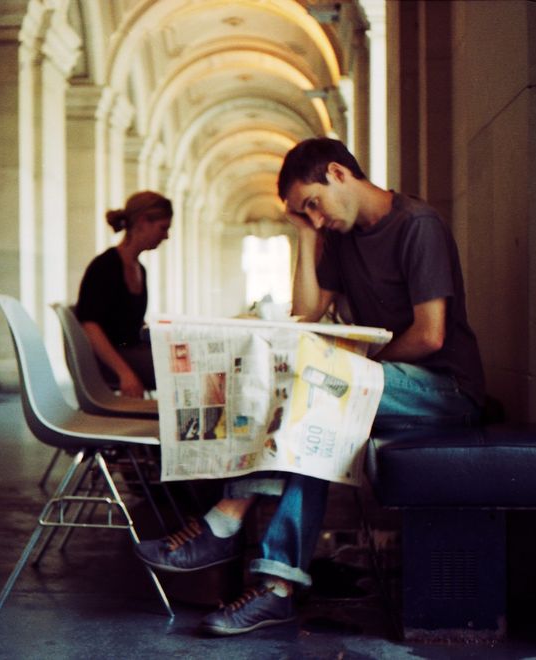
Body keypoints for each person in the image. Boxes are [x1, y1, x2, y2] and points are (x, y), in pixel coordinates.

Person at [134, 138, 485, 636]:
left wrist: (356, 366)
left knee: (324, 392)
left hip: (445, 391)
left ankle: (228, 522)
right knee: (315, 420)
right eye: (306, 214)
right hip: (382, 383)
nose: (316, 218)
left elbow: (431, 335)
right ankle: (274, 586)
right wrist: (303, 235)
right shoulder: (340, 238)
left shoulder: (417, 226)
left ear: (339, 173)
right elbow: (308, 313)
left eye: (313, 205)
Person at [75, 191, 173, 398]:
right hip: (108, 360)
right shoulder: (104, 266)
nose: (166, 236)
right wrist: (125, 374)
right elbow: (90, 326)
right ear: (142, 222)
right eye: (163, 228)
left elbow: (128, 323)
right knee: (181, 369)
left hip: (129, 353)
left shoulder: (140, 269)